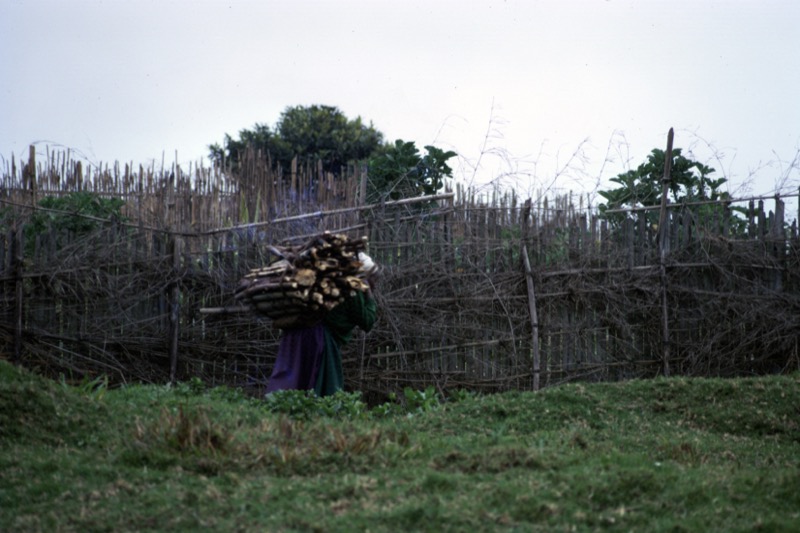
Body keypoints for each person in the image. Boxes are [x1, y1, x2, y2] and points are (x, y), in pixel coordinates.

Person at [265, 253, 378, 397]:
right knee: (322, 392)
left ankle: (282, 412)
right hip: (318, 339)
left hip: (293, 336)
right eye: (372, 278)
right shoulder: (351, 290)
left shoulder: (331, 281)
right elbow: (367, 321)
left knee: (289, 383)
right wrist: (369, 295)